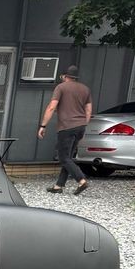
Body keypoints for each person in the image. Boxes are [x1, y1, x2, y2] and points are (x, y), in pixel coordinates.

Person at [38, 65, 93, 194]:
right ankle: (59, 186)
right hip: (81, 126)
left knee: (63, 157)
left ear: (64, 76)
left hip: (66, 127)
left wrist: (43, 125)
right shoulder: (85, 89)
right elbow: (89, 110)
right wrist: (84, 124)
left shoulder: (61, 87)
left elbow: (52, 107)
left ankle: (81, 180)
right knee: (68, 157)